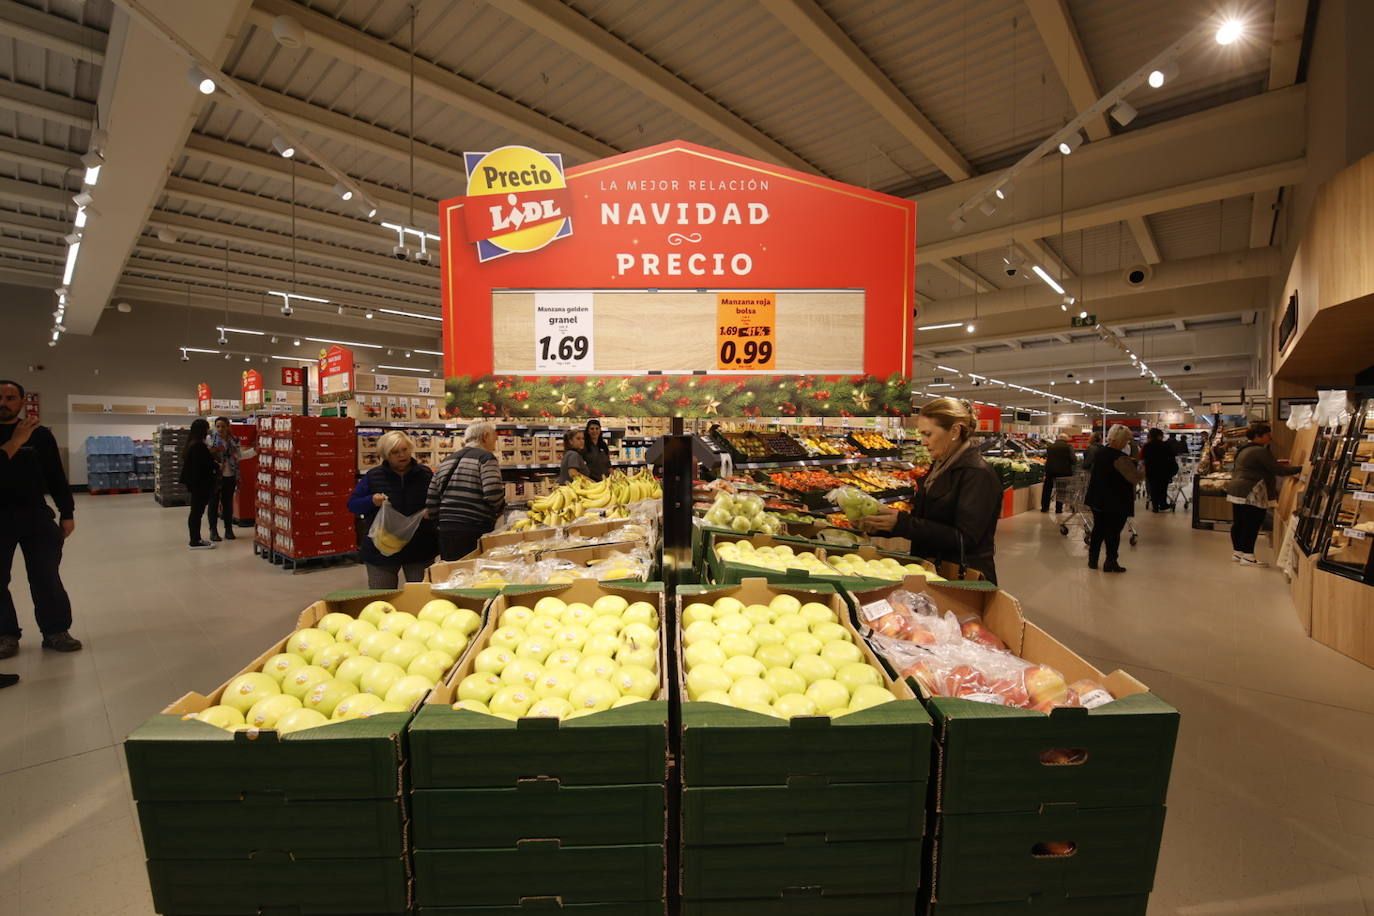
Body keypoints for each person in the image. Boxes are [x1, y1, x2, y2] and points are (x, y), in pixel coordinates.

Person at [859, 398, 1002, 584]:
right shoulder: (940, 467)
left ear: (954, 431)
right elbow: (927, 519)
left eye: (928, 434)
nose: (923, 442)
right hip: (934, 570)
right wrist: (882, 524)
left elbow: (965, 538)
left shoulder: (976, 474)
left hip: (961, 578)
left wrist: (903, 524)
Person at [0, 379, 81, 659]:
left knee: (46, 575)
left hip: (35, 514)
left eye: (11, 398)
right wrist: (15, 442)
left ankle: (56, 630)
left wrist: (67, 512)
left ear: (22, 402)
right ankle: (5, 634)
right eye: (0, 398)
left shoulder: (41, 435)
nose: (4, 403)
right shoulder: (20, 436)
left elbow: (55, 476)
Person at [348, 430, 438, 588]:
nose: (401, 455)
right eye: (395, 452)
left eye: (404, 450)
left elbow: (438, 500)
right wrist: (371, 500)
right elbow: (353, 505)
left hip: (419, 548)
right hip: (381, 551)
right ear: (385, 455)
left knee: (420, 595)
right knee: (382, 598)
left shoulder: (425, 475)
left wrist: (432, 510)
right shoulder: (373, 476)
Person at [428, 420, 505, 562]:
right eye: (494, 437)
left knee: (452, 574)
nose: (495, 442)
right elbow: (493, 493)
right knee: (475, 575)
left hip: (447, 530)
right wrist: (499, 511)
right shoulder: (486, 458)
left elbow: (432, 501)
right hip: (475, 529)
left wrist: (443, 522)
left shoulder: (446, 460)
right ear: (485, 436)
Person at [1225, 422, 1299, 568]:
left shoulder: (1245, 449)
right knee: (1252, 523)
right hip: (1252, 491)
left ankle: (1238, 552)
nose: (1270, 437)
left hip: (1238, 489)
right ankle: (1248, 556)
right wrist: (1300, 469)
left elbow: (1260, 465)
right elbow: (1276, 470)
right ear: (1259, 436)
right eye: (1267, 434)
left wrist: (1277, 463)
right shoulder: (1260, 451)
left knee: (1240, 522)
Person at [1084, 424, 1145, 573]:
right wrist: (1143, 469)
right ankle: (1110, 562)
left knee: (1098, 529)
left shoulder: (1101, 453)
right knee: (1113, 532)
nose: (1126, 443)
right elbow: (1133, 478)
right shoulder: (1120, 458)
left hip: (1097, 498)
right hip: (1115, 501)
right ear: (1119, 440)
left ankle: (1093, 560)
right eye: (1125, 440)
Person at [181, 418, 218, 550]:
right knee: (197, 512)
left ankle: (196, 538)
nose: (209, 431)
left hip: (194, 483)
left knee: (196, 512)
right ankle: (195, 541)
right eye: (207, 428)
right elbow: (204, 466)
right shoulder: (198, 446)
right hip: (200, 484)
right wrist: (214, 461)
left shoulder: (191, 443)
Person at [207, 417, 242, 541]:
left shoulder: (234, 440)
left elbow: (240, 456)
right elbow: (207, 459)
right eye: (218, 426)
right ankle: (213, 531)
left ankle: (228, 530)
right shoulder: (210, 441)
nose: (220, 429)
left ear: (228, 426)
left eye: (223, 426)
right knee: (213, 503)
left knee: (227, 504)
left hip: (230, 476)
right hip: (215, 476)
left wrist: (254, 451)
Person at [1140, 428, 1179, 513]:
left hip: (1151, 471)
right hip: (1163, 471)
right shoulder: (1165, 445)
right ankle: (1163, 504)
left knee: (1153, 488)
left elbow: (1143, 458)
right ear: (1159, 436)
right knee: (1162, 488)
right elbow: (1172, 458)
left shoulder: (1147, 446)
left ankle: (1155, 507)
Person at [1041, 433, 1075, 513]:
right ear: (1066, 440)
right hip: (1063, 472)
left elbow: (1046, 456)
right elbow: (1073, 460)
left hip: (1050, 470)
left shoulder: (1050, 446)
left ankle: (1044, 507)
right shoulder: (1068, 447)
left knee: (1047, 489)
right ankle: (1058, 509)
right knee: (1061, 490)